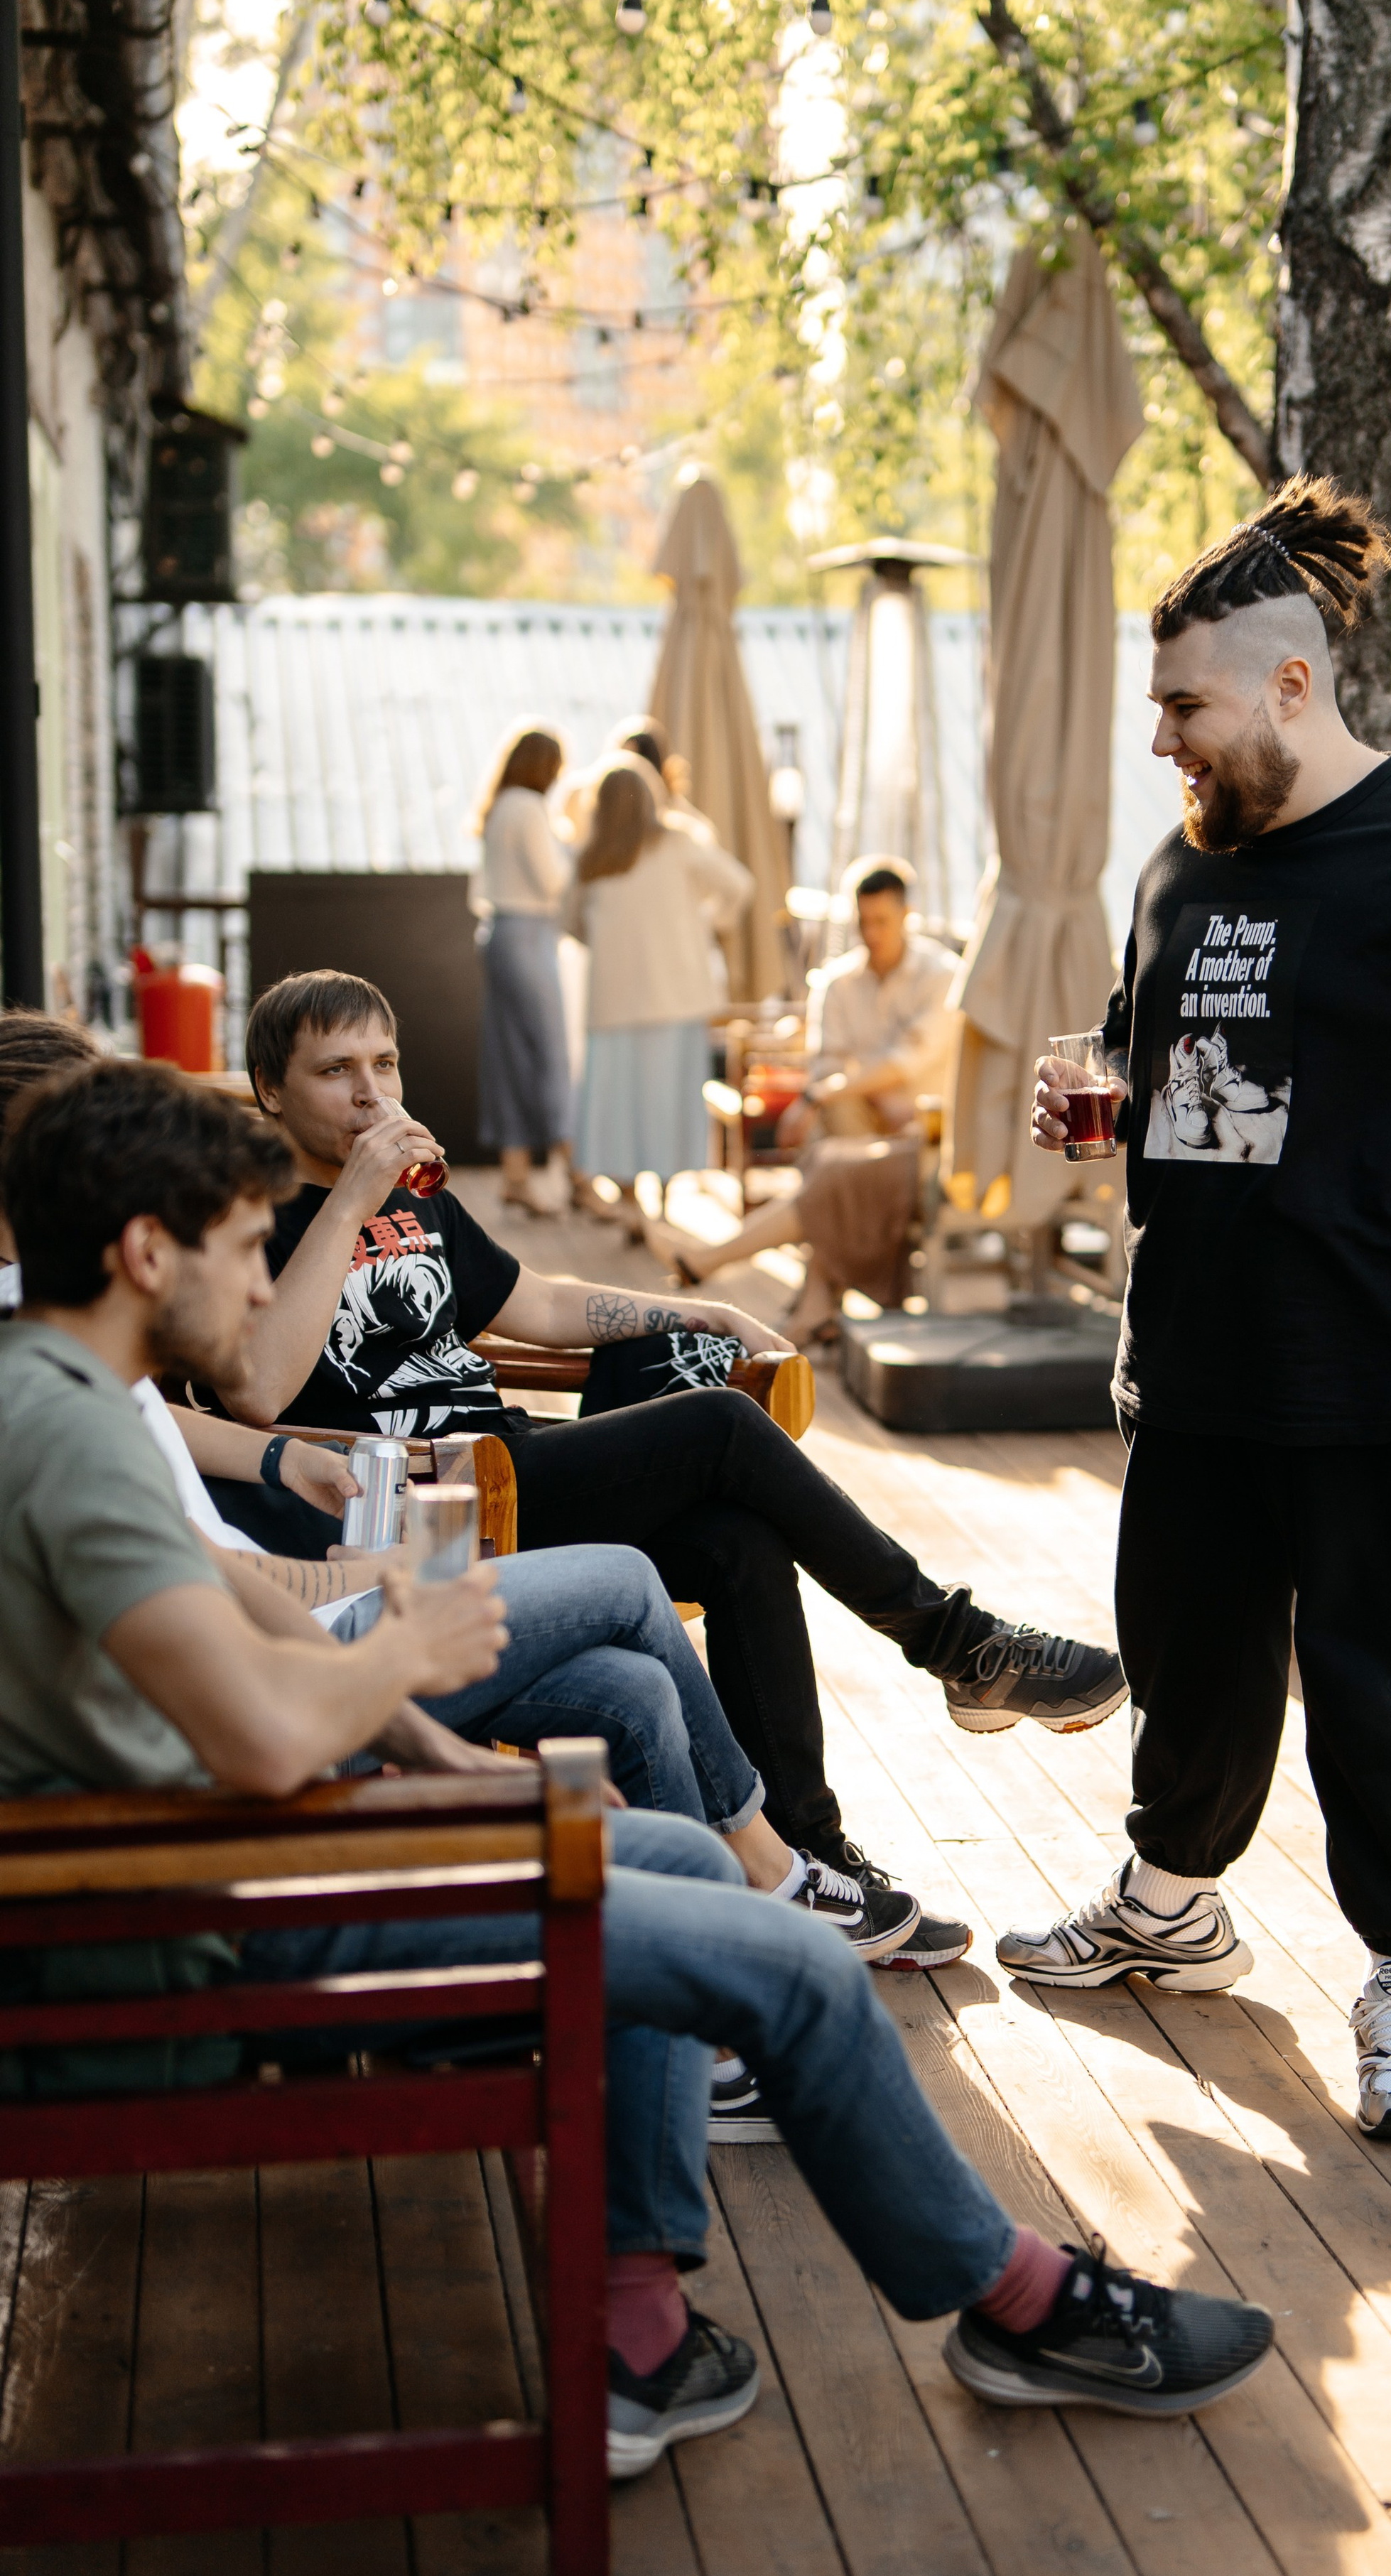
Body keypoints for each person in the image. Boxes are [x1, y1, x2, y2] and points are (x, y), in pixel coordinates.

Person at [0, 1055, 1275, 2470]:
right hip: (205, 1920)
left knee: (669, 1840)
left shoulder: (66, 1397)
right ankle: (1020, 2301)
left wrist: (450, 1760)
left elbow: (240, 1631)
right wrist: (404, 1651)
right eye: (249, 1253)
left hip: (238, 1853)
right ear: (141, 1251)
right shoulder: (62, 1437)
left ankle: (639, 2329)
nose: (258, 1295)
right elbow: (257, 1731)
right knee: (782, 1961)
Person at [1007, 478, 1391, 2143]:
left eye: (1182, 707)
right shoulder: (1173, 872)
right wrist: (1105, 1094)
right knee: (1188, 1662)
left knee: (1380, 1687)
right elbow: (1173, 1068)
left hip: (1379, 1375)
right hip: (1193, 1352)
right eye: (1155, 710)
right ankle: (1168, 1904)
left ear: (1286, 685)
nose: (1162, 744)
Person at [208, 969, 1127, 1974]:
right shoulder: (252, 1220)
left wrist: (694, 1311)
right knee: (722, 1432)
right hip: (421, 1506)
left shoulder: (417, 1203)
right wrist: (347, 1198)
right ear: (268, 1088)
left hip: (512, 1471)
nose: (369, 1093)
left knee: (739, 1540)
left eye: (383, 1064)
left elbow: (541, 1306)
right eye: (335, 1071)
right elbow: (257, 1391)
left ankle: (806, 1853)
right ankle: (960, 1644)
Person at [646, 857, 961, 1345]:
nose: (871, 933)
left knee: (832, 1156)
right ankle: (809, 1304)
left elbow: (903, 1063)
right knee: (838, 1145)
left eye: (882, 921)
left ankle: (721, 1264)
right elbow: (830, 1066)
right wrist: (850, 1091)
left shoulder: (944, 977)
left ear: (907, 916)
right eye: (863, 921)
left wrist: (832, 1091)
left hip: (923, 1143)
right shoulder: (837, 984)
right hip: (859, 1135)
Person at [565, 754, 752, 1226]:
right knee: (668, 1101)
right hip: (675, 998)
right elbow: (740, 885)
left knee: (620, 1106)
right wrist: (706, 923)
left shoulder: (591, 859)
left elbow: (568, 922)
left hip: (614, 1003)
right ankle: (666, 1201)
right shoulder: (681, 844)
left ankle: (630, 1201)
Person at [472, 722, 577, 1218]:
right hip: (530, 935)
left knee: (508, 1056)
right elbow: (554, 881)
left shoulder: (498, 807)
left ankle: (516, 1176)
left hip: (497, 934)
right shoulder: (531, 808)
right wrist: (578, 853)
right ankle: (577, 1174)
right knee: (551, 1053)